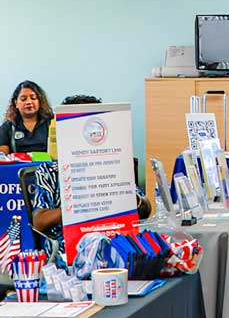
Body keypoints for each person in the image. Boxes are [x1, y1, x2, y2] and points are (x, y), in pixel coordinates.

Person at [31, 95, 150, 255]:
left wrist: (129, 199)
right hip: (67, 251)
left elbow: (145, 209)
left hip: (116, 246)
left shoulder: (114, 163)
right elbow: (39, 221)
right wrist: (85, 206)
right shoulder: (50, 170)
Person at [0, 81, 54, 157]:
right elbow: (2, 157)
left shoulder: (51, 122)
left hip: (47, 167)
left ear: (40, 101)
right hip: (19, 168)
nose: (29, 102)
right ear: (16, 103)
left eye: (33, 98)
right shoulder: (8, 127)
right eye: (23, 99)